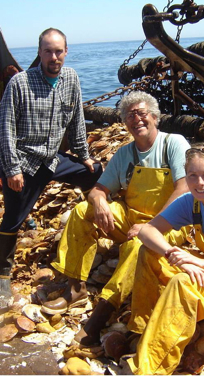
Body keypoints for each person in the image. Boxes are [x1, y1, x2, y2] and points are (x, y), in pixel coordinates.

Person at [41, 90, 191, 345]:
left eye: (142, 113)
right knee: (81, 211)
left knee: (139, 243)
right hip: (131, 218)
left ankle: (102, 312)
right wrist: (99, 202)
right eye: (130, 116)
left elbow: (184, 188)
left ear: (155, 117)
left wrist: (151, 226)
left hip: (170, 224)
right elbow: (99, 190)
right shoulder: (124, 154)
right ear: (125, 124)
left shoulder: (173, 144)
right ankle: (75, 286)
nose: (137, 119)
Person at [126, 143, 204, 375]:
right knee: (150, 252)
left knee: (184, 283)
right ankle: (143, 327)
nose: (200, 183)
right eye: (193, 176)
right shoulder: (191, 202)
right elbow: (147, 231)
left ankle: (148, 368)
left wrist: (199, 263)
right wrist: (173, 254)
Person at [0, 28, 102, 309]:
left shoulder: (71, 78)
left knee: (94, 173)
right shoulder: (20, 83)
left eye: (58, 51)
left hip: (54, 159)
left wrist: (84, 155)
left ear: (66, 51)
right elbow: (5, 127)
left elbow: (77, 121)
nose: (54, 57)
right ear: (39, 53)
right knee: (13, 220)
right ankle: (2, 277)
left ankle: (95, 222)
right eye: (48, 51)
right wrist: (11, 169)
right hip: (25, 161)